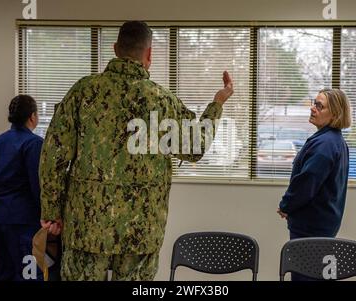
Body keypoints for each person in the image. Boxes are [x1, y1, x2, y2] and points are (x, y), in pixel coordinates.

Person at [39, 21, 234, 281]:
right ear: (149, 55)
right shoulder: (162, 101)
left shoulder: (83, 92)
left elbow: (53, 155)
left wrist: (52, 210)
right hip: (141, 229)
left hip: (87, 226)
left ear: (115, 49)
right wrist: (217, 103)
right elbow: (195, 148)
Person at [277, 88, 352, 281]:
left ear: (335, 114)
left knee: (306, 276)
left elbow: (307, 181)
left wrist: (286, 205)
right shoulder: (334, 140)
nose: (312, 108)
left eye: (320, 106)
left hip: (311, 229)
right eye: (314, 103)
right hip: (322, 225)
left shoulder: (325, 144)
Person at [0, 95, 44, 281]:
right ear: (32, 116)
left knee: (3, 272)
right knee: (29, 274)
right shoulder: (34, 143)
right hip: (23, 221)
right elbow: (37, 186)